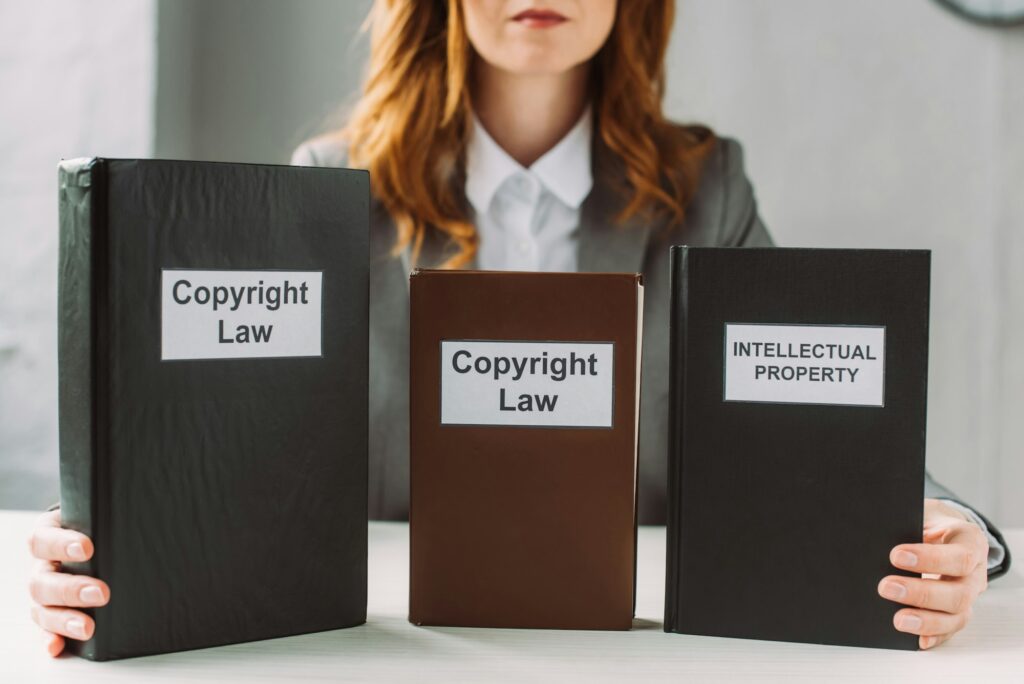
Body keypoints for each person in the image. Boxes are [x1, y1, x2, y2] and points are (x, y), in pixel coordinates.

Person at [27, 0, 1010, 657]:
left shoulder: (704, 191)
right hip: (388, 646)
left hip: (630, 646)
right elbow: (233, 447)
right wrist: (121, 542)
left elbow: (807, 409)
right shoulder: (329, 190)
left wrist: (937, 533)